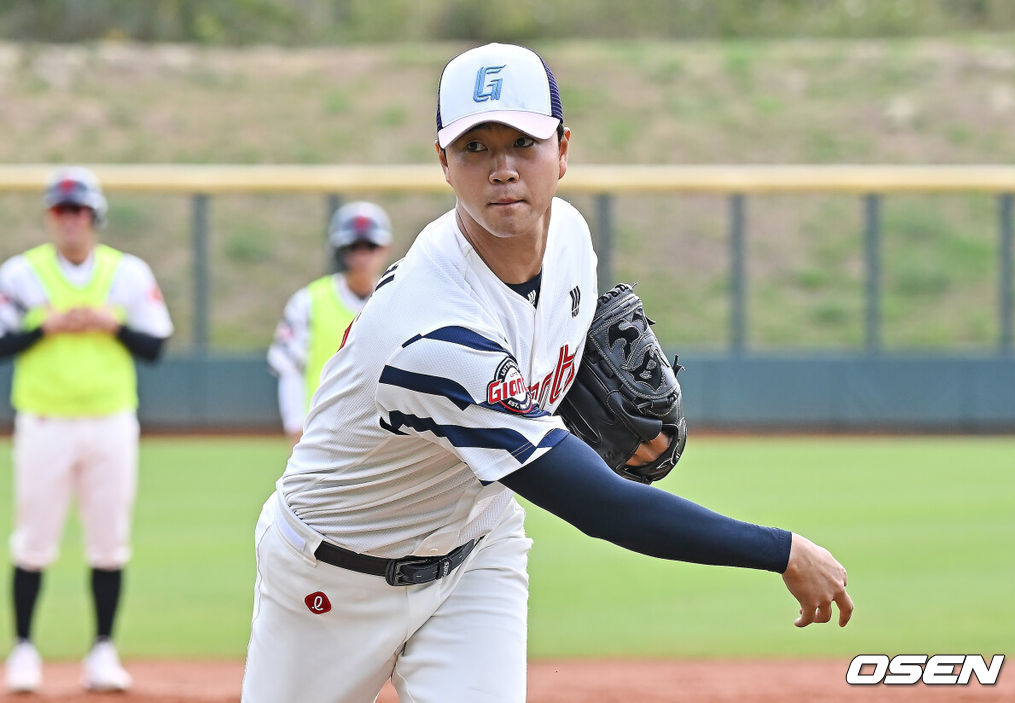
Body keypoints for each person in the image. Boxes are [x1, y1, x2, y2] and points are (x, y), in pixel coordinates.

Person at [241, 43, 853, 703]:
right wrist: (780, 549)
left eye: (523, 143)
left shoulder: (570, 240)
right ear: (444, 162)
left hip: (476, 551)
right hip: (334, 576)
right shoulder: (430, 334)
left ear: (562, 150)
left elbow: (536, 382)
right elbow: (601, 507)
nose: (502, 168)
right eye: (475, 147)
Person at [0, 167, 173, 693]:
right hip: (44, 419)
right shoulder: (22, 274)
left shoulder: (126, 273)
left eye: (78, 210)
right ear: (49, 217)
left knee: (108, 541)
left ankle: (102, 650)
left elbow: (155, 345)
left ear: (94, 216)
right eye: (60, 210)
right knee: (33, 539)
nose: (69, 220)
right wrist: (43, 328)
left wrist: (111, 325)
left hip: (109, 419)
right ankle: (24, 650)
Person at [267, 202, 393, 445]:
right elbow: (289, 369)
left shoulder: (397, 299)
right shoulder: (308, 302)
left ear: (386, 248)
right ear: (339, 251)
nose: (362, 256)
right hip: (322, 431)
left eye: (370, 246)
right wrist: (295, 427)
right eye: (353, 247)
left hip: (384, 433)